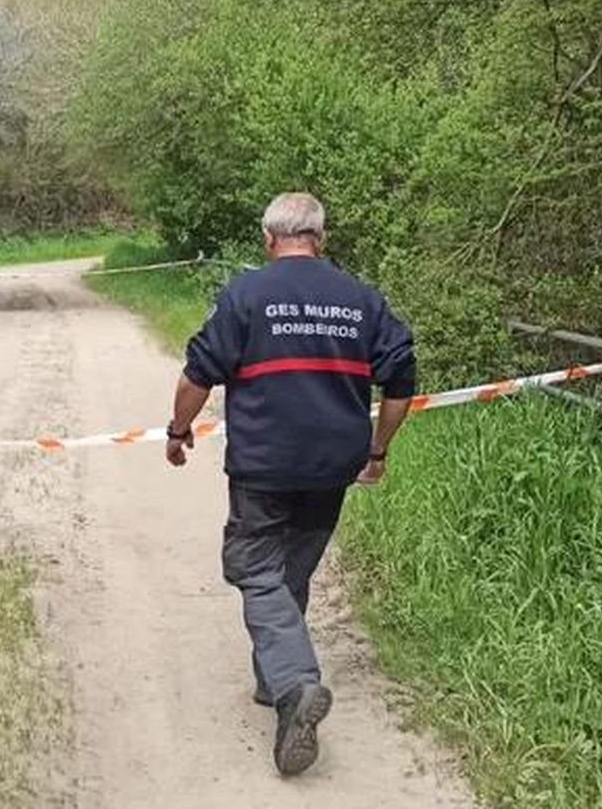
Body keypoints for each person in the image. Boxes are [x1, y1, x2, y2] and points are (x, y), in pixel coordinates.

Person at [164, 192, 417, 777]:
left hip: (265, 464)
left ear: (268, 239)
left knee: (255, 569)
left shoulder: (246, 295)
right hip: (333, 465)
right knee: (291, 572)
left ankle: (296, 682)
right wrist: (377, 448)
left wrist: (178, 431)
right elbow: (402, 375)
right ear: (321, 239)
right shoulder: (360, 299)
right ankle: (273, 683)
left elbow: (197, 373)